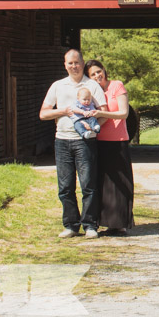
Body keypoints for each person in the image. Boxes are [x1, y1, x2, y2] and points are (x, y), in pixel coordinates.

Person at [40, 49, 106, 239]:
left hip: (85, 141)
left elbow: (104, 112)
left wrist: (93, 129)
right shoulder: (58, 86)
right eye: (70, 63)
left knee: (88, 184)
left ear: (82, 63)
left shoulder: (92, 86)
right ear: (65, 65)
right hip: (62, 140)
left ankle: (90, 225)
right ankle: (71, 225)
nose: (74, 66)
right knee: (65, 186)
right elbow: (44, 113)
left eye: (77, 62)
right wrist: (63, 111)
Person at [84, 59, 134, 235]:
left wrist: (101, 113)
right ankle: (103, 221)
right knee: (102, 183)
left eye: (99, 71)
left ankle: (119, 222)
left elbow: (123, 113)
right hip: (97, 141)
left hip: (117, 141)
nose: (98, 76)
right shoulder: (90, 91)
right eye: (93, 74)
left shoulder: (116, 86)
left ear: (104, 70)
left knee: (120, 184)